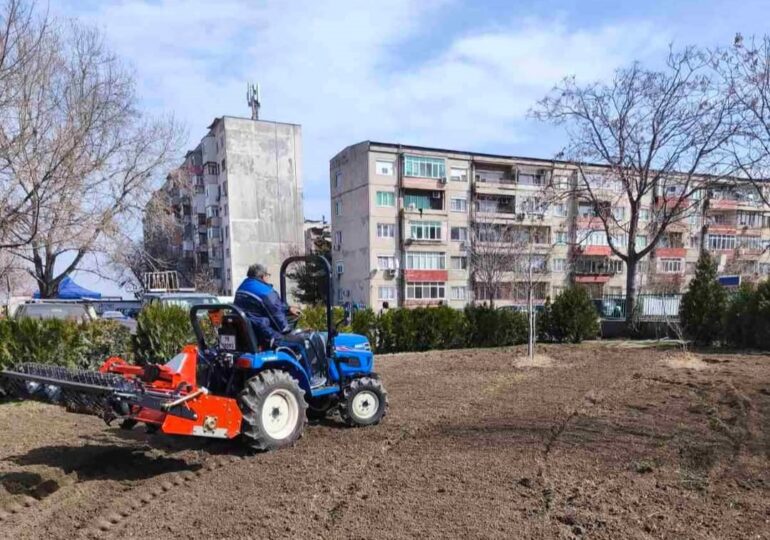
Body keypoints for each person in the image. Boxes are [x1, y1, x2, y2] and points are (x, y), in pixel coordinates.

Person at [234, 263, 325, 386]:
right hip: (265, 335)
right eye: (268, 275)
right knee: (303, 341)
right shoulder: (265, 291)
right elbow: (280, 322)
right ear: (262, 276)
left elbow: (269, 306)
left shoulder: (242, 288)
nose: (268, 278)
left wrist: (287, 309)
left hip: (251, 334)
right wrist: (288, 330)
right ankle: (310, 379)